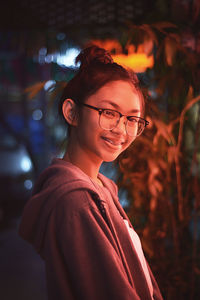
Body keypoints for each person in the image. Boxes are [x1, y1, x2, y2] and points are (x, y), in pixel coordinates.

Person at [19, 45, 163, 300]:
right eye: (109, 112)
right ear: (72, 113)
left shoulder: (100, 187)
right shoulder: (78, 201)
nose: (121, 129)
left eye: (132, 119)